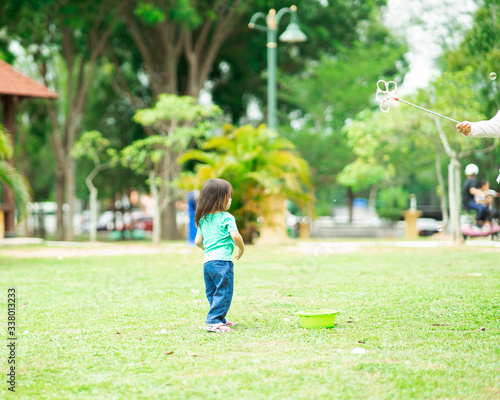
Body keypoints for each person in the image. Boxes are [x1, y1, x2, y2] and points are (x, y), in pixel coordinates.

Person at [194, 178, 245, 333]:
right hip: (222, 262)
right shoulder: (227, 217)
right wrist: (241, 248)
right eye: (228, 196)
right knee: (224, 291)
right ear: (220, 198)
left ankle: (219, 318)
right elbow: (235, 236)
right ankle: (214, 321)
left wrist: (206, 249)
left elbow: (197, 242)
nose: (230, 199)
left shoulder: (203, 219)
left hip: (207, 262)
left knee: (213, 291)